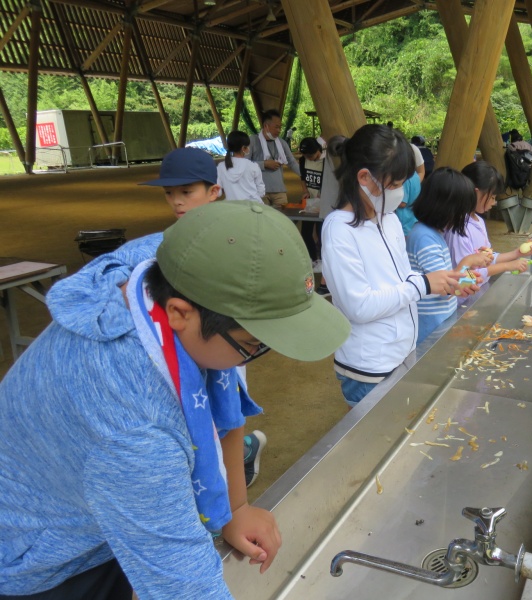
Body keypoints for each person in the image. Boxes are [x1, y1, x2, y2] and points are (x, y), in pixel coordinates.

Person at [0, 201, 350, 598]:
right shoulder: (133, 432)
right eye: (254, 344)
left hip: (94, 499)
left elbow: (223, 390)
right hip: (40, 558)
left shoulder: (172, 260)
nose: (254, 356)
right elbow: (185, 585)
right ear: (180, 313)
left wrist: (235, 508)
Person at [142, 147, 267, 488]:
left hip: (227, 341)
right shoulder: (166, 243)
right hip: (189, 350)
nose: (177, 201)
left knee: (227, 404)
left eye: (187, 191)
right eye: (170, 193)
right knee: (197, 416)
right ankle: (234, 461)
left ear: (214, 191)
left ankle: (237, 466)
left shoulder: (234, 235)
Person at [321, 124, 465, 406]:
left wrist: (438, 281)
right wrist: (423, 284)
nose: (402, 194)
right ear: (364, 177)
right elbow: (359, 306)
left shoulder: (389, 219)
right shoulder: (339, 230)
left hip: (403, 351)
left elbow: (402, 276)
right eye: (395, 185)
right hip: (370, 365)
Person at [407, 168, 490, 344]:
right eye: (461, 212)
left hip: (442, 321)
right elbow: (444, 288)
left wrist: (470, 277)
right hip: (430, 329)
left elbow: (449, 281)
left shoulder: (433, 234)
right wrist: (468, 262)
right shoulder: (425, 238)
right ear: (446, 208)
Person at [445, 161, 532, 295]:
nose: (494, 203)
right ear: (476, 193)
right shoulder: (459, 228)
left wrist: (516, 253)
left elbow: (488, 258)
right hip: (462, 297)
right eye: (492, 197)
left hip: (478, 291)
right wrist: (507, 266)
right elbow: (464, 273)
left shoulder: (478, 221)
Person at [249, 109, 301, 208]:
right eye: (276, 127)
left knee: (282, 216)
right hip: (259, 191)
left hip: (279, 191)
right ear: (266, 126)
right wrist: (264, 164)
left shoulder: (282, 143)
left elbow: (292, 162)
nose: (279, 130)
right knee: (261, 217)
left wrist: (305, 175)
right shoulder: (252, 141)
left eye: (280, 127)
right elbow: (244, 164)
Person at [297, 136, 327, 272]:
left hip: (324, 203)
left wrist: (324, 193)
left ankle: (323, 260)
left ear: (318, 150)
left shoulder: (326, 161)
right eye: (306, 156)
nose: (309, 158)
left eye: (311, 155)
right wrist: (305, 191)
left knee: (322, 233)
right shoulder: (303, 160)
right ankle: (313, 259)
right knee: (306, 232)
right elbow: (303, 178)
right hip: (310, 202)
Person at [217, 130, 265, 202]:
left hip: (232, 206)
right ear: (243, 148)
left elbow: (218, 193)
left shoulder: (221, 167)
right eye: (247, 146)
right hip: (253, 205)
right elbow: (261, 191)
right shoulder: (253, 166)